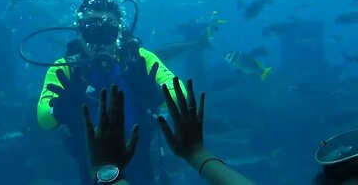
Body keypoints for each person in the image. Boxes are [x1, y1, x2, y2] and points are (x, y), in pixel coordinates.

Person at [37, 0, 183, 184]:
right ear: (79, 31)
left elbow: (182, 96)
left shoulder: (139, 59)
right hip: (90, 164)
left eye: (108, 31)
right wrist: (61, 107)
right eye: (91, 31)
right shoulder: (65, 68)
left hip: (139, 159)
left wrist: (155, 92)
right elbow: (44, 119)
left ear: (120, 32)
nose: (100, 42)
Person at [83, 77, 256, 185]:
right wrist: (197, 153)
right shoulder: (64, 64)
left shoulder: (141, 56)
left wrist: (104, 169)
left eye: (110, 29)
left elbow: (175, 91)